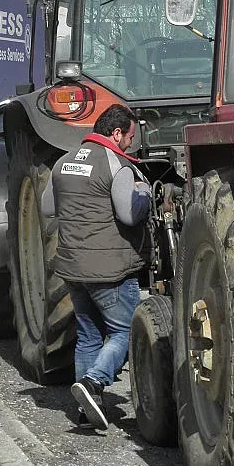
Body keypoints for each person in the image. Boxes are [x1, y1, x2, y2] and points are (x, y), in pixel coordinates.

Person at [41, 103, 151, 430]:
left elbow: (48, 207)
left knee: (89, 336)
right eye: (129, 137)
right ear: (116, 133)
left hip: (73, 268)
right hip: (109, 271)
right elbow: (130, 214)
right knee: (125, 331)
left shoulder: (65, 161)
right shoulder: (116, 164)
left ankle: (85, 411)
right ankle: (93, 383)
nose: (130, 143)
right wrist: (143, 192)